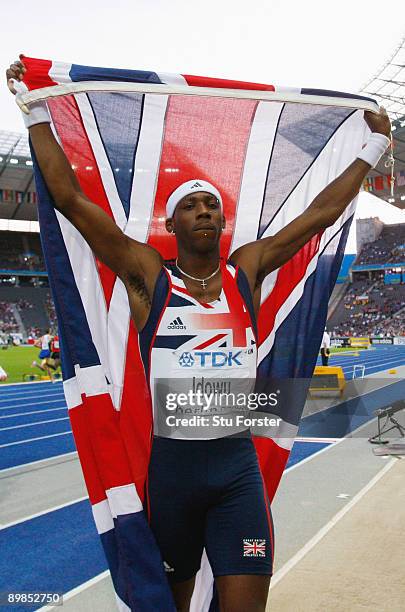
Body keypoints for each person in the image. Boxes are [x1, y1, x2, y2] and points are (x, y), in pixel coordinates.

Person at [6, 58, 391, 612]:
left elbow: (318, 215)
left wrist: (372, 150)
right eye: (191, 205)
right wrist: (36, 108)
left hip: (236, 475)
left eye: (211, 204)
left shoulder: (246, 272)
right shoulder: (148, 278)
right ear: (172, 223)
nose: (204, 211)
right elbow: (70, 199)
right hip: (173, 479)